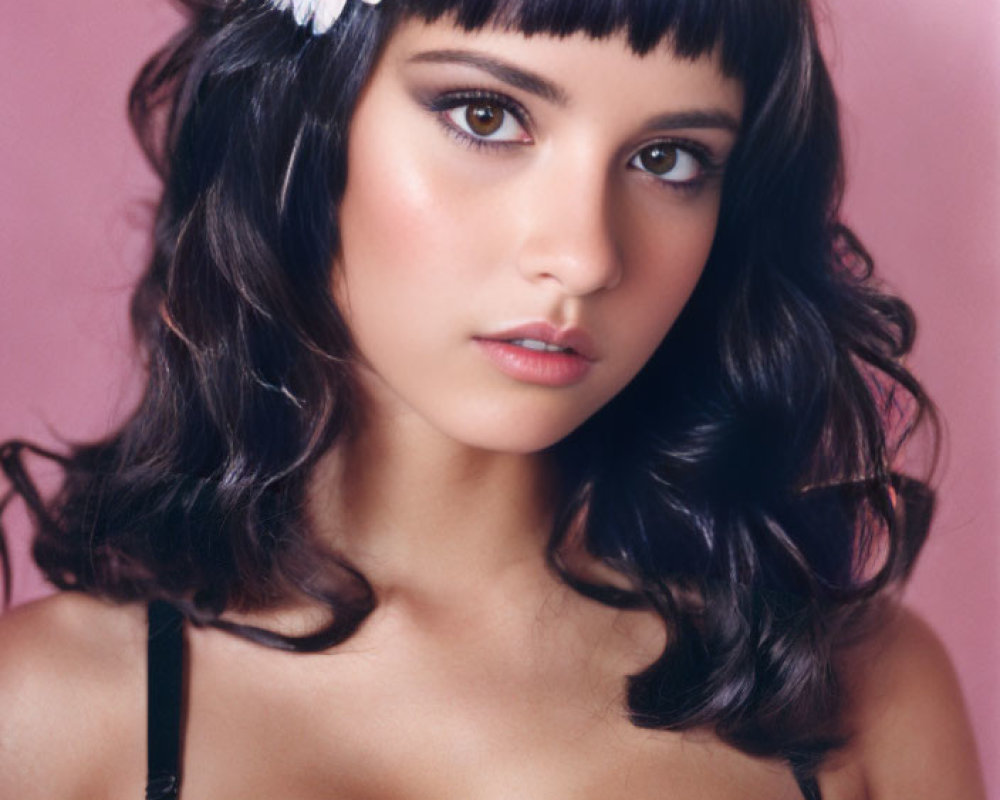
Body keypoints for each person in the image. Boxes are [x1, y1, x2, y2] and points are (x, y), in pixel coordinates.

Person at [0, 0, 986, 797]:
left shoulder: (856, 695)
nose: (584, 254)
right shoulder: (42, 713)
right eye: (486, 114)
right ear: (302, 124)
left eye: (667, 157)